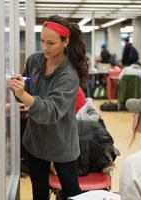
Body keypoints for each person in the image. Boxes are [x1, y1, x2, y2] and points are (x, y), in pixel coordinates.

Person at [9, 15, 87, 200]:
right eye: (42, 41)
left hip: (62, 144)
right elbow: (24, 93)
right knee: (39, 194)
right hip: (35, 142)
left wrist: (23, 94)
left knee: (71, 194)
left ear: (65, 42)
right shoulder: (35, 61)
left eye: (51, 43)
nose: (45, 47)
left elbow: (51, 112)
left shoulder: (69, 75)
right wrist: (18, 87)